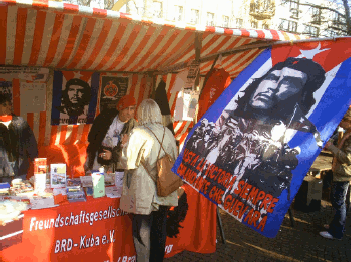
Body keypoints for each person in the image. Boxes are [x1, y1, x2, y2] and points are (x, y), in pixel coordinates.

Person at [186, 57, 326, 198]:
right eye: (271, 78)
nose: (272, 87)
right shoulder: (223, 118)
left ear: (300, 97)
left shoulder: (291, 138)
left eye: (289, 82)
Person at [119, 99, 178, 262]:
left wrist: (124, 146)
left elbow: (127, 162)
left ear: (141, 113)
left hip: (144, 192)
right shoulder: (168, 133)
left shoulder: (137, 133)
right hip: (164, 188)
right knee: (159, 231)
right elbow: (175, 159)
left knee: (142, 234)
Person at [85, 94, 138, 173]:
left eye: (132, 109)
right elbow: (92, 137)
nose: (129, 113)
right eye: (126, 108)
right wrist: (99, 151)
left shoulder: (133, 126)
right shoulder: (105, 116)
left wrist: (112, 155)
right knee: (96, 183)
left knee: (112, 184)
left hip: (116, 163)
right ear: (120, 108)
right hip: (97, 156)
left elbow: (131, 150)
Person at [320, 107, 351, 240]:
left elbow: (348, 158)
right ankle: (336, 225)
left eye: (342, 120)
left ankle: (337, 232)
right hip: (339, 172)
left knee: (339, 203)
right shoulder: (348, 132)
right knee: (337, 201)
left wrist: (330, 147)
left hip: (343, 174)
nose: (340, 123)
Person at [0, 93, 38, 183]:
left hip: (20, 166)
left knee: (20, 192)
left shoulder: (20, 122)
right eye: (4, 105)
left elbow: (30, 142)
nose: (8, 107)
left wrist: (35, 159)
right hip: (2, 168)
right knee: (4, 194)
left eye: (9, 104)